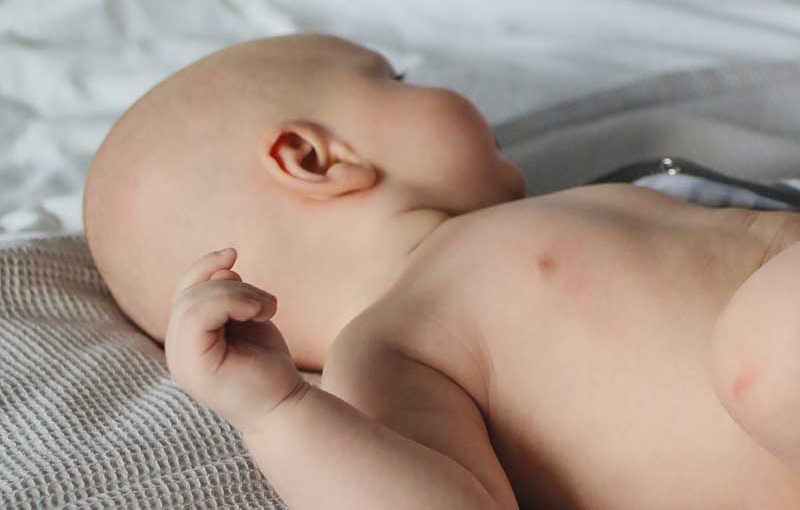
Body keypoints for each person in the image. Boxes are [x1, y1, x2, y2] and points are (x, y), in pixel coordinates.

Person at [82, 33, 800, 509]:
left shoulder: (550, 210)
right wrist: (280, 415)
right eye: (395, 78)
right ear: (314, 158)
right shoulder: (392, 346)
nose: (445, 90)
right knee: (765, 354)